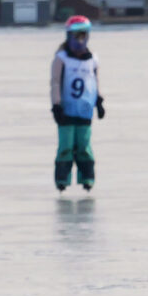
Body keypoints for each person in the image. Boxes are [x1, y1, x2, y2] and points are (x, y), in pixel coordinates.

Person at [50, 14, 104, 191]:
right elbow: (56, 82)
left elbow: (94, 82)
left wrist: (99, 101)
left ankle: (87, 178)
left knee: (84, 147)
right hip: (66, 110)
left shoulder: (92, 59)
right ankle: (62, 180)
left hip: (85, 110)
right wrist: (56, 105)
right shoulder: (62, 58)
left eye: (83, 35)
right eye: (76, 36)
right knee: (65, 147)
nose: (80, 40)